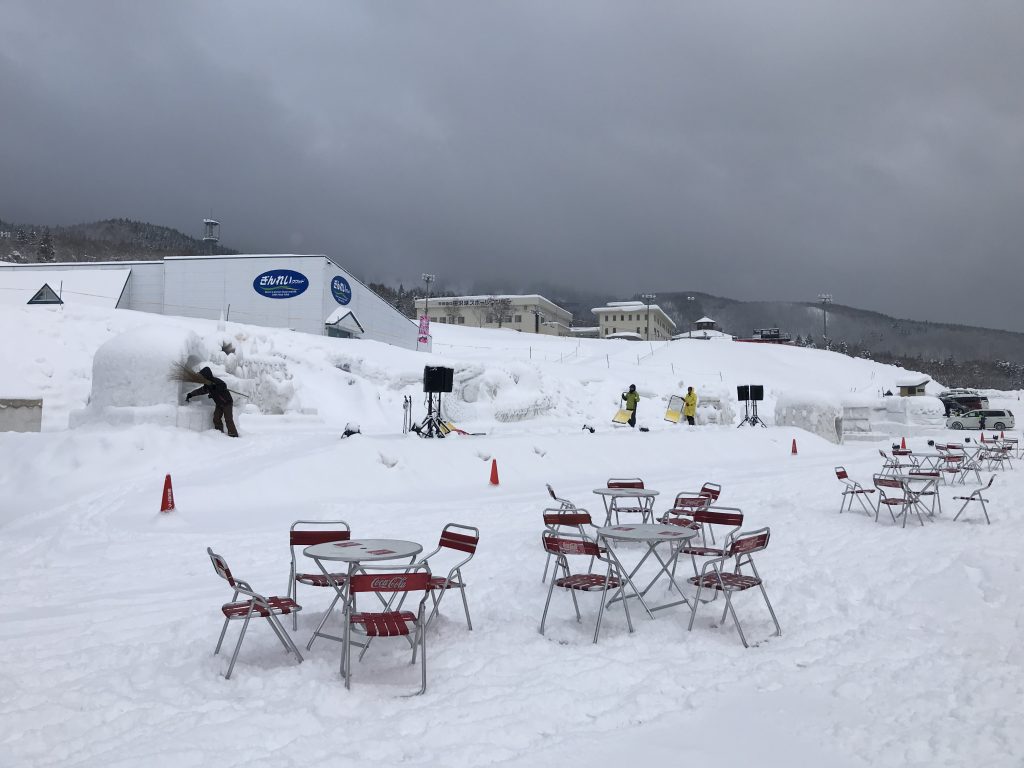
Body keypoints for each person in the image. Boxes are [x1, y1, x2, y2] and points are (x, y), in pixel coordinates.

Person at [186, 366, 238, 437]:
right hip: (219, 404)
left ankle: (233, 434)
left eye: (203, 376)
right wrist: (191, 394)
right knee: (216, 418)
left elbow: (223, 386)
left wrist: (216, 387)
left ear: (206, 375)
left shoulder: (217, 382)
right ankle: (219, 433)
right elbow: (200, 391)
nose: (202, 378)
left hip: (227, 403)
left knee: (228, 419)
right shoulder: (207, 385)